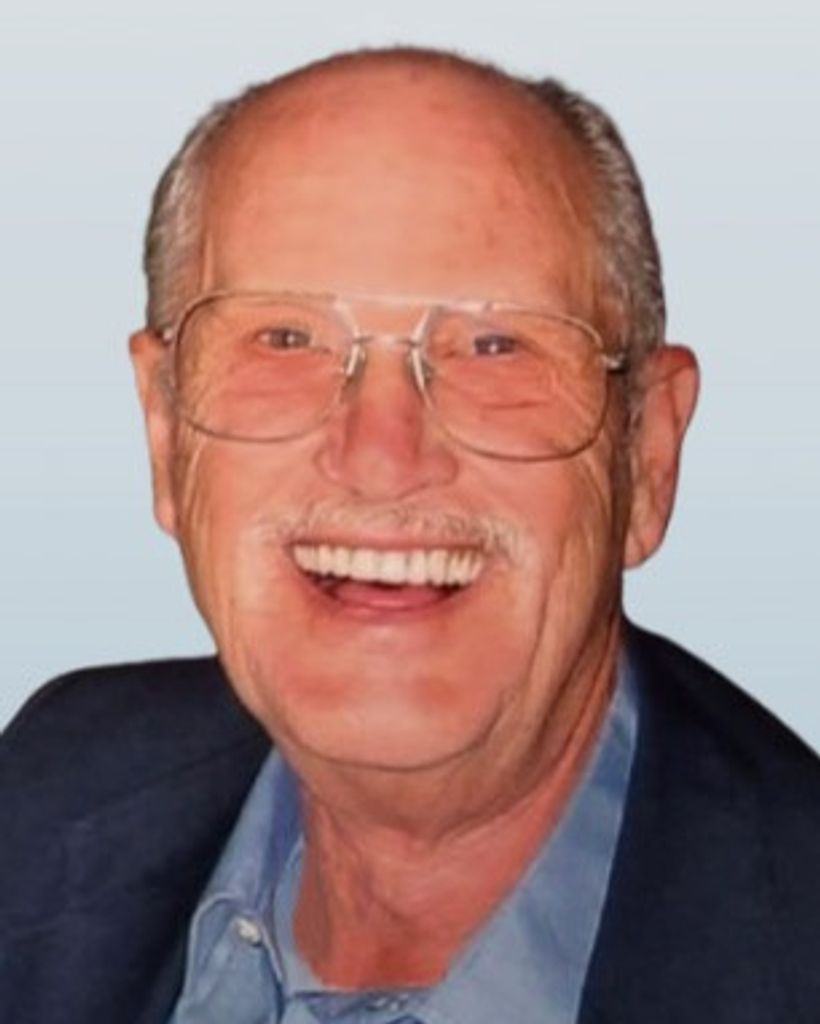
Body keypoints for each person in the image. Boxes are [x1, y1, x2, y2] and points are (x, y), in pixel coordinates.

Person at [2, 46, 818, 1024]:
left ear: (646, 455)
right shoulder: (48, 794)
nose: (381, 456)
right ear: (166, 430)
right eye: (286, 339)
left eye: (494, 346)